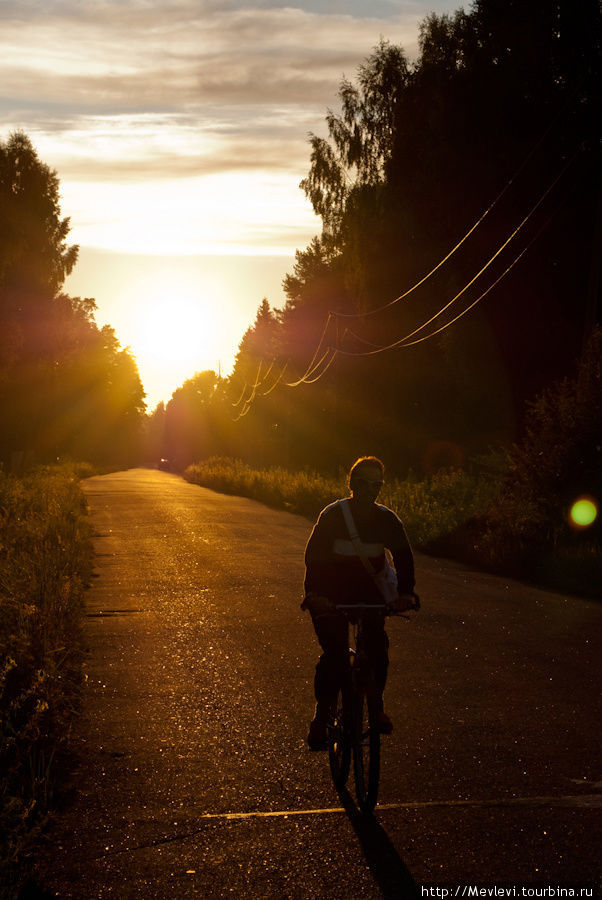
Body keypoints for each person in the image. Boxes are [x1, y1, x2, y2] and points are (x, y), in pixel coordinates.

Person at [302, 456, 417, 750]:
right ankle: (322, 714)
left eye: (376, 484)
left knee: (377, 645)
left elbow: (403, 557)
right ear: (351, 484)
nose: (370, 490)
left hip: (369, 595)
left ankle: (376, 704)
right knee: (335, 653)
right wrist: (315, 595)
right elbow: (314, 558)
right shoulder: (332, 516)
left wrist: (405, 593)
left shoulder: (387, 520)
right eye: (363, 483)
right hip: (331, 595)